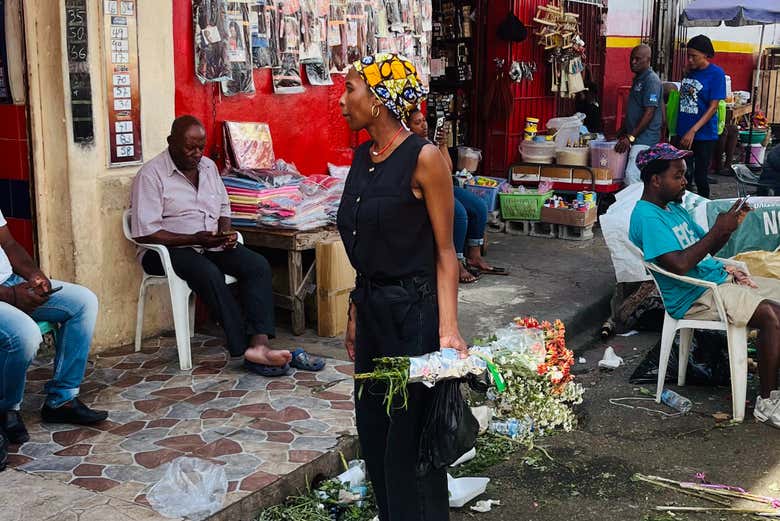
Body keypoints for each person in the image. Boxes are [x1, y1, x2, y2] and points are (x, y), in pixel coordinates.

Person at [338, 53, 468, 520]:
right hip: (373, 311)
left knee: (407, 445)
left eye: (350, 89)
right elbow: (365, 242)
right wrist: (356, 310)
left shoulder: (424, 157)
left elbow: (445, 251)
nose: (341, 100)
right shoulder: (362, 158)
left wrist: (448, 330)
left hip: (414, 315)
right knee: (372, 431)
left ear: (377, 99)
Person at [131, 116, 322, 376]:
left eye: (201, 147)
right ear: (171, 143)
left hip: (208, 243)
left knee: (256, 265)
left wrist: (225, 231)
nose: (197, 154)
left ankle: (260, 343)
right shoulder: (151, 175)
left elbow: (223, 207)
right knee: (208, 273)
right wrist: (194, 239)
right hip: (166, 250)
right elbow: (145, 232)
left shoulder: (208, 167)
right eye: (190, 148)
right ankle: (246, 350)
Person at [629, 143, 780, 428]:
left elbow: (705, 249)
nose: (685, 182)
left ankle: (774, 387)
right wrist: (717, 231)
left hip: (714, 281)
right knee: (771, 316)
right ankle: (767, 402)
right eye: (678, 176)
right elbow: (680, 265)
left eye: (684, 175)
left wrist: (729, 228)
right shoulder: (647, 217)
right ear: (655, 179)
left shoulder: (673, 209)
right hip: (695, 296)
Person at [0, 210, 108, 469]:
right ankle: (6, 409)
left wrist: (35, 275)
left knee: (83, 301)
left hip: (10, 283)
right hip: (5, 292)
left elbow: (9, 244)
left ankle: (62, 399)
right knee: (24, 334)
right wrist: (10, 296)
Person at [407, 109, 507, 283]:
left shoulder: (427, 142)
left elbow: (447, 171)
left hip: (443, 186)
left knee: (479, 206)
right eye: (417, 123)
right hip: (426, 191)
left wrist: (442, 145)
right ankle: (457, 263)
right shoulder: (408, 147)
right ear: (407, 127)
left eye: (424, 121)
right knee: (459, 214)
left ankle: (474, 256)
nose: (424, 125)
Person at [675, 35, 726, 199]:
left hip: (703, 135)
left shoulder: (716, 74)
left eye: (694, 56)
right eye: (688, 55)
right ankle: (683, 207)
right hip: (683, 131)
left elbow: (713, 107)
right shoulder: (689, 72)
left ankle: (704, 208)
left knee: (700, 176)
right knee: (683, 175)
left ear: (705, 55)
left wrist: (693, 131)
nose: (689, 59)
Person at [615, 44, 663, 185]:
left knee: (632, 177)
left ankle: (637, 206)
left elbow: (649, 112)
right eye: (632, 59)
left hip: (645, 139)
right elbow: (635, 109)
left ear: (648, 60)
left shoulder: (651, 80)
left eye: (637, 59)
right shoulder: (639, 78)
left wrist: (630, 137)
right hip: (636, 137)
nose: (633, 62)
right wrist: (622, 131)